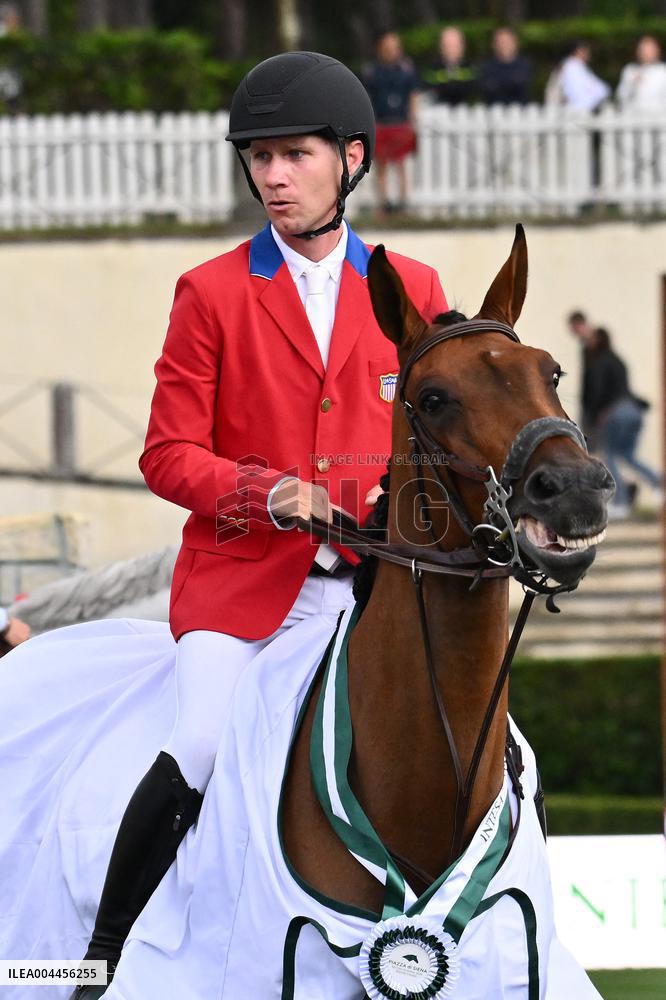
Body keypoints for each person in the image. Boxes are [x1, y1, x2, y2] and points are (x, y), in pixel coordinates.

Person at [69, 50, 448, 999]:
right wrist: (265, 491)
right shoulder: (211, 292)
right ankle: (101, 956)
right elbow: (165, 454)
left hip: (370, 594)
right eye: (259, 158)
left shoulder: (415, 288)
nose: (272, 176)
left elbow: (443, 440)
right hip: (243, 589)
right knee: (201, 738)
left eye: (294, 155)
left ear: (351, 158)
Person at [585, 328, 660, 518]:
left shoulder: (599, 362)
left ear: (599, 341)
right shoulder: (618, 360)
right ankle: (659, 482)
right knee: (628, 455)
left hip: (615, 412)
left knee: (609, 455)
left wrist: (594, 417)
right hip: (633, 411)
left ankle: (622, 502)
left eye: (592, 339)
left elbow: (599, 391)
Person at [363, 30, 419, 215]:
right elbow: (368, 97)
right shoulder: (372, 72)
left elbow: (413, 95)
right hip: (381, 123)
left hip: (400, 122)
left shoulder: (406, 71)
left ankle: (403, 203)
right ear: (380, 49)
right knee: (381, 164)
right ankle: (383, 203)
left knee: (401, 164)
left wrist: (413, 118)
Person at [545, 40, 610, 111]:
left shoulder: (573, 66)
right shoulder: (571, 67)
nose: (588, 53)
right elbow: (577, 93)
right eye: (585, 50)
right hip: (577, 111)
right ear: (578, 51)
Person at [424, 25, 478, 106]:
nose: (451, 49)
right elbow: (429, 93)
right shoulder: (431, 71)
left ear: (463, 46)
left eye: (455, 45)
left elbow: (475, 93)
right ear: (440, 47)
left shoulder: (472, 69)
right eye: (447, 45)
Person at [480, 26, 532, 105]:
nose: (504, 45)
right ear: (493, 45)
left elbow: (523, 86)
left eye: (507, 41)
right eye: (500, 42)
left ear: (516, 43)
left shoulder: (525, 65)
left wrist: (497, 84)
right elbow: (488, 88)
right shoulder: (486, 67)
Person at [616, 35, 666, 110]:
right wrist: (632, 83)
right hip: (632, 117)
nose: (645, 53)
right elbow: (620, 96)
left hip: (658, 116)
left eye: (649, 49)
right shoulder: (630, 70)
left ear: (657, 50)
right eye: (642, 49)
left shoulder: (663, 70)